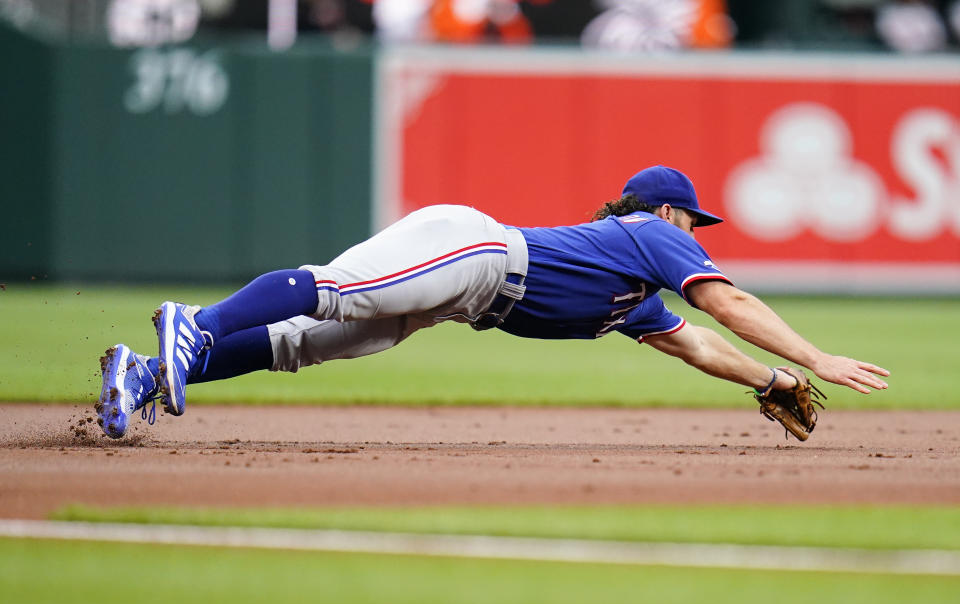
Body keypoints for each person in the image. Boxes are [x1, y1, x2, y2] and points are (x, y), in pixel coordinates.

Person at [95, 165, 889, 439]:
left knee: (305, 342)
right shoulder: (653, 233)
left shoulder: (631, 291)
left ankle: (144, 376)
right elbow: (728, 302)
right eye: (693, 218)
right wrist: (814, 359)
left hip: (463, 295)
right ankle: (193, 324)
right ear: (666, 212)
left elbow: (694, 341)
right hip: (475, 251)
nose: (695, 229)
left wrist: (766, 381)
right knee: (341, 291)